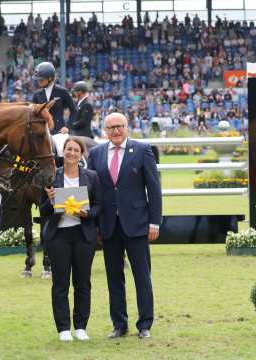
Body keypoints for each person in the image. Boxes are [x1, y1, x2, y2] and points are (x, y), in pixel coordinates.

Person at [88, 112, 162, 339]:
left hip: (138, 224)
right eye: (111, 128)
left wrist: (154, 222)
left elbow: (154, 188)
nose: (116, 131)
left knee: (142, 275)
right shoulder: (95, 153)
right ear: (105, 131)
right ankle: (119, 325)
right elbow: (91, 190)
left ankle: (144, 324)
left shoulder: (143, 150)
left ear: (128, 127)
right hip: (109, 226)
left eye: (119, 126)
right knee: (114, 278)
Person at [40, 137, 102, 342]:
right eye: (68, 149)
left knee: (83, 282)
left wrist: (87, 214)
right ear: (63, 151)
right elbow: (43, 210)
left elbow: (99, 206)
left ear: (81, 154)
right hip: (59, 235)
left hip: (83, 235)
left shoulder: (91, 176)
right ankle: (63, 328)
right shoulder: (52, 176)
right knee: (60, 283)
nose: (72, 153)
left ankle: (81, 327)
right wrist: (50, 200)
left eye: (76, 150)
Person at [31, 62, 75, 135]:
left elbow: (73, 110)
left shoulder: (62, 92)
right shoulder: (36, 94)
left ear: (50, 78)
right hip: (41, 131)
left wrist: (68, 127)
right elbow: (32, 113)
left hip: (59, 131)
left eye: (41, 79)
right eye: (38, 80)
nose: (38, 82)